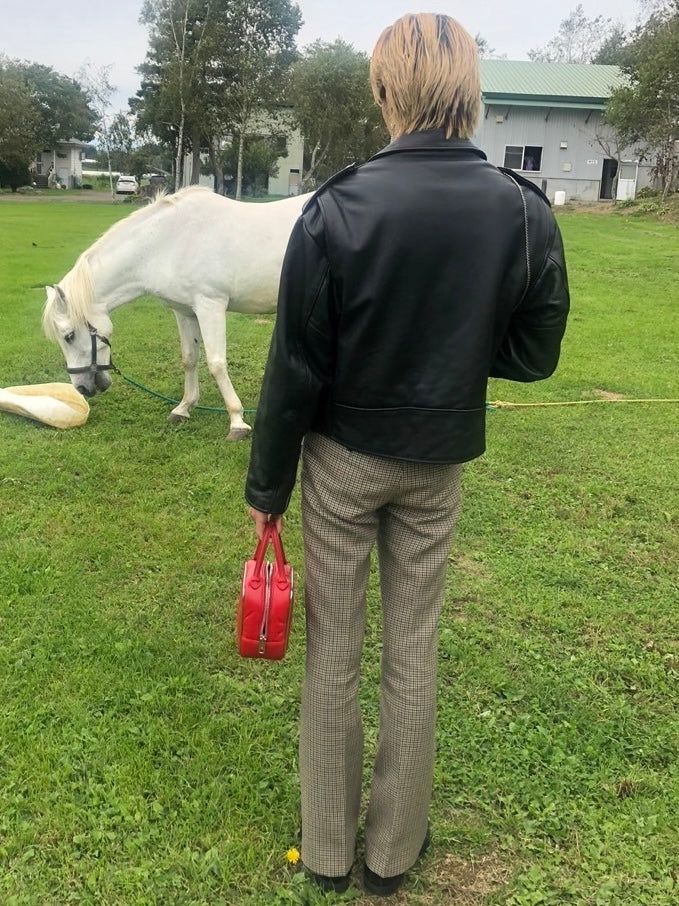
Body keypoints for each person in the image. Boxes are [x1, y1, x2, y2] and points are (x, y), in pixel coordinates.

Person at [245, 12, 569, 898]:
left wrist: (266, 486)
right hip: (437, 464)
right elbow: (536, 352)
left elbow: (294, 367)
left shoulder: (337, 207)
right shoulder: (521, 208)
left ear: (386, 91)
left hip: (342, 461)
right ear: (468, 91)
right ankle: (391, 855)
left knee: (333, 651)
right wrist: (464, 355)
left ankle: (328, 851)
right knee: (412, 651)